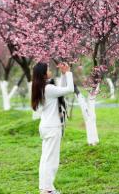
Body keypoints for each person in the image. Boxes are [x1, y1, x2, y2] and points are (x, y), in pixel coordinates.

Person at [31, 62, 74, 194]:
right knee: (51, 160)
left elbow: (60, 91)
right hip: (52, 127)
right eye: (48, 69)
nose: (50, 71)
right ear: (44, 74)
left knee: (45, 159)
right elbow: (69, 89)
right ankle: (48, 190)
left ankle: (45, 188)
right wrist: (68, 73)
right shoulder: (48, 89)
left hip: (46, 126)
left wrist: (63, 75)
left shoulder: (41, 87)